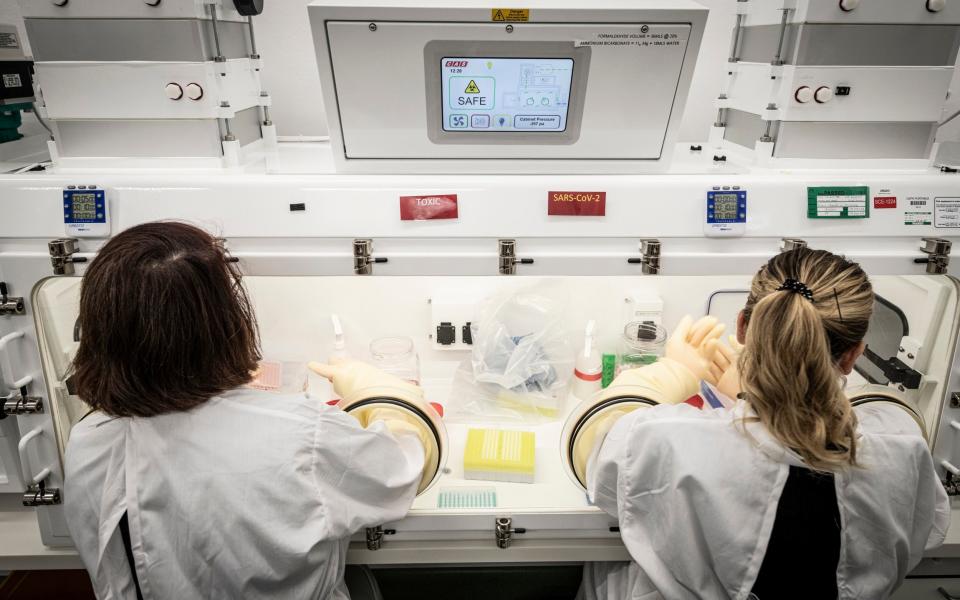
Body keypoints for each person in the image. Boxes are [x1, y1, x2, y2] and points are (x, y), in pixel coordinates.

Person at [64, 221, 433, 600]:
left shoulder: (87, 444)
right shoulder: (301, 434)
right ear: (224, 319)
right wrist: (380, 393)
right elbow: (401, 472)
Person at [574, 248, 950, 600]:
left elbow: (591, 444)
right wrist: (768, 393)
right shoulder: (903, 453)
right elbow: (895, 417)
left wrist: (676, 371)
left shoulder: (668, 440)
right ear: (854, 355)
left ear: (741, 327)